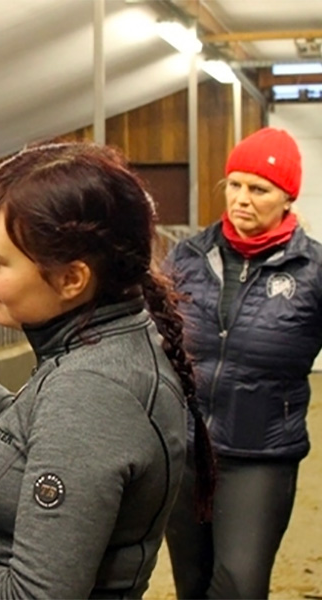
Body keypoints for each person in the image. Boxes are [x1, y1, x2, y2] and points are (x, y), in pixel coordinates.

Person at [0, 142, 216, 598]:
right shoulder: (110, 343)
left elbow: (34, 596)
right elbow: (23, 434)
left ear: (72, 279)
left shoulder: (94, 394)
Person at [163, 127, 316, 599]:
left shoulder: (312, 272)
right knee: (192, 583)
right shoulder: (187, 258)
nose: (242, 199)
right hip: (188, 449)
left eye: (259, 189)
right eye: (234, 184)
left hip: (260, 455)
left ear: (287, 197)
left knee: (239, 586)